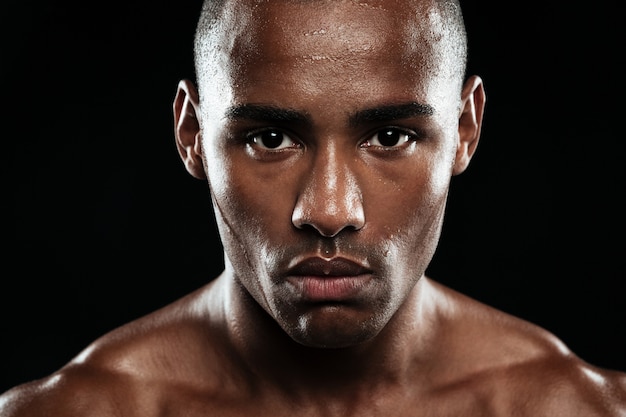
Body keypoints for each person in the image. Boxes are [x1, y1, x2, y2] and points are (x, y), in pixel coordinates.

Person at [1, 0, 625, 415]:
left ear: (465, 130)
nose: (328, 210)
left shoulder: (579, 408)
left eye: (390, 137)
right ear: (192, 134)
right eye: (270, 139)